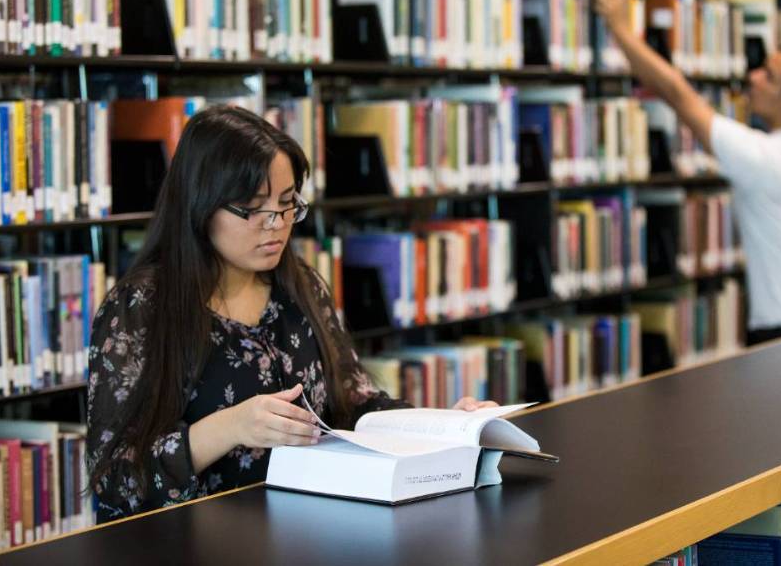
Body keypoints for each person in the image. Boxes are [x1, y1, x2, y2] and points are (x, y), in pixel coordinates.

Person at [86, 106, 496, 522]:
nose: (276, 225)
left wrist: (440, 425)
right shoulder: (141, 308)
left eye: (287, 205)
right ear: (199, 205)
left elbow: (350, 405)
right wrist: (229, 427)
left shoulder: (298, 287)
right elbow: (116, 480)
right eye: (252, 208)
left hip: (309, 525)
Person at [595, 0, 781, 346]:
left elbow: (676, 94)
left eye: (769, 76)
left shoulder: (765, 160)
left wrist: (620, 27)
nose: (754, 77)